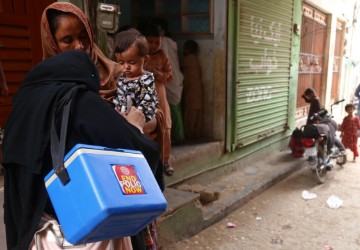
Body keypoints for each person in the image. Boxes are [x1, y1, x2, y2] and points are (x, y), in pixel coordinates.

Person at [2, 50, 163, 249]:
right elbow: (136, 150)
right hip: (80, 231)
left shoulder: (21, 106)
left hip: (31, 232)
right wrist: (136, 126)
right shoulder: (81, 101)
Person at [37, 3, 164, 249]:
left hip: (121, 184)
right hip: (76, 199)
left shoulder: (117, 71)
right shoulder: (45, 88)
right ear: (51, 42)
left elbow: (153, 113)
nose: (78, 46)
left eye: (84, 37)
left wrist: (139, 126)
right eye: (67, 39)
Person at [138, 23, 174, 176]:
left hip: (160, 95)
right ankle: (146, 162)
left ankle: (165, 161)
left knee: (164, 127)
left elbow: (170, 76)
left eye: (156, 42)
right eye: (150, 42)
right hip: (143, 97)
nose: (153, 46)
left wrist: (158, 74)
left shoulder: (162, 56)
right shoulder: (139, 55)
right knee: (145, 127)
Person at [112, 28, 158, 122]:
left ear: (145, 60)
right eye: (121, 62)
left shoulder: (145, 80)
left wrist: (133, 117)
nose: (126, 67)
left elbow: (147, 105)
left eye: (132, 62)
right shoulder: (121, 77)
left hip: (138, 121)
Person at [152, 18, 185, 143]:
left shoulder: (164, 44)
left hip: (169, 78)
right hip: (174, 77)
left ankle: (178, 136)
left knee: (171, 109)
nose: (153, 44)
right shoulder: (170, 42)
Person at [180, 40, 203, 140]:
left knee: (190, 114)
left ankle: (190, 134)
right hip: (195, 91)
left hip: (192, 92)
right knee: (194, 113)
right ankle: (193, 133)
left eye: (185, 48)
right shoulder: (195, 59)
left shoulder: (189, 59)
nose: (183, 50)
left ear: (188, 49)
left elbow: (175, 65)